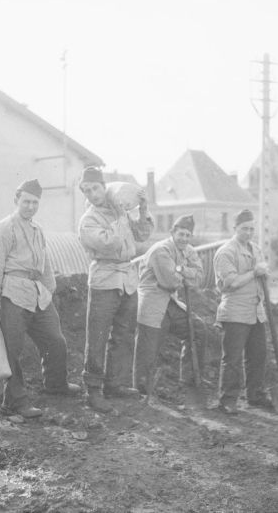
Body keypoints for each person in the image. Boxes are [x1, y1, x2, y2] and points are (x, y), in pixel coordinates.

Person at [0, 179, 80, 419]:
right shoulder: (4, 228)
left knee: (56, 340)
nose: (30, 206)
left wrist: (49, 289)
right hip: (11, 296)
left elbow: (45, 263)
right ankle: (15, 401)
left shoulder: (37, 229)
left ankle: (55, 384)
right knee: (12, 351)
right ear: (16, 201)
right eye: (26, 201)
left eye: (35, 202)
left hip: (37, 295)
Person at [78, 166, 153, 413]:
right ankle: (93, 391)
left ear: (104, 187)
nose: (92, 194)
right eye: (87, 190)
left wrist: (142, 208)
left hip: (127, 278)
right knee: (98, 336)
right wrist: (122, 216)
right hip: (105, 278)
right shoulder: (89, 220)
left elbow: (142, 235)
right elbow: (108, 244)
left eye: (96, 188)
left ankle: (115, 383)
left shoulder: (118, 210)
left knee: (123, 333)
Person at [133, 214, 206, 397]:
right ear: (172, 232)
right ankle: (142, 392)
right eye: (181, 234)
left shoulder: (186, 250)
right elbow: (170, 281)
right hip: (152, 303)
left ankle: (188, 382)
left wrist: (181, 270)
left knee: (197, 329)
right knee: (148, 349)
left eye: (188, 235)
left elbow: (198, 277)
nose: (184, 239)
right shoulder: (161, 250)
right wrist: (184, 276)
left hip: (171, 303)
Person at [213, 209, 272, 415]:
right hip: (235, 312)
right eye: (244, 228)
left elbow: (263, 277)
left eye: (251, 229)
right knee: (233, 358)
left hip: (256, 311)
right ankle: (227, 399)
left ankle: (255, 395)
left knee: (258, 355)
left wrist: (264, 274)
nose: (248, 232)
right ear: (235, 228)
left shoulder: (256, 249)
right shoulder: (226, 252)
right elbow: (231, 283)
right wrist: (254, 272)